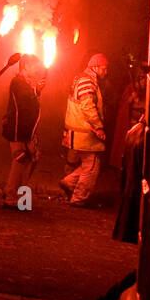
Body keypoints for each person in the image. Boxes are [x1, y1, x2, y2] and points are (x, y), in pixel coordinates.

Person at [59, 53, 109, 207]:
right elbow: (87, 106)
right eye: (104, 68)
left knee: (88, 164)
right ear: (95, 67)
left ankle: (69, 183)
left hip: (77, 131)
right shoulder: (87, 82)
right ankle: (80, 197)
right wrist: (98, 126)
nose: (106, 72)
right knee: (92, 166)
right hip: (85, 132)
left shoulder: (81, 78)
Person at [1, 54, 46, 209]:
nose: (38, 69)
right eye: (35, 66)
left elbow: (31, 101)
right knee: (20, 160)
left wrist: (37, 89)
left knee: (28, 161)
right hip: (17, 129)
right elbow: (25, 101)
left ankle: (20, 199)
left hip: (27, 130)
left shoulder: (27, 83)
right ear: (26, 66)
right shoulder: (18, 82)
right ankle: (11, 197)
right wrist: (36, 89)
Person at [112, 112, 147, 242]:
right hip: (136, 179)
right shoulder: (144, 135)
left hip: (130, 178)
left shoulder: (133, 131)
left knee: (127, 206)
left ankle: (122, 233)